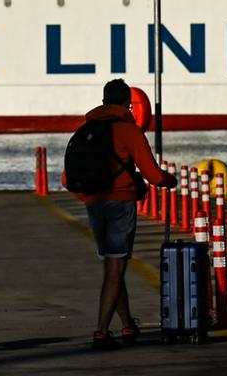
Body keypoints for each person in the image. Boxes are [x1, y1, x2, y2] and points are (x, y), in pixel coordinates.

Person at [75, 78, 176, 350]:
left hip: (94, 205)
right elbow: (154, 175)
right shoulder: (129, 131)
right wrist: (170, 181)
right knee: (116, 267)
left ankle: (128, 325)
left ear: (104, 99)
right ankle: (100, 332)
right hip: (120, 205)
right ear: (128, 104)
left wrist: (90, 198)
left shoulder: (87, 129)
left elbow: (67, 178)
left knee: (112, 267)